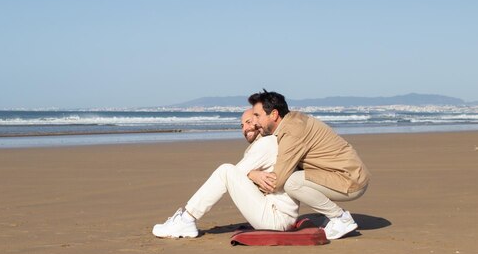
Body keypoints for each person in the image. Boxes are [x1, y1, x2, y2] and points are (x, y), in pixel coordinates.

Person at [152, 109, 299, 238]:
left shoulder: (266, 143)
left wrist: (250, 174)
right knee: (228, 171)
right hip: (278, 215)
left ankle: (186, 220)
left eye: (249, 122)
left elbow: (233, 175)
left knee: (225, 170)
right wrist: (252, 174)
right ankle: (185, 220)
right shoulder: (267, 143)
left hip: (276, 219)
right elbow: (240, 176)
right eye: (242, 125)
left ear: (259, 122)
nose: (245, 129)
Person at [247, 90, 371, 240]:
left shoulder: (292, 132)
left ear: (274, 114)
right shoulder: (290, 122)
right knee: (293, 177)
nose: (253, 122)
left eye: (257, 116)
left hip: (350, 181)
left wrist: (250, 177)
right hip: (346, 174)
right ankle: (335, 216)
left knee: (292, 183)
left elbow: (276, 181)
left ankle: (340, 218)